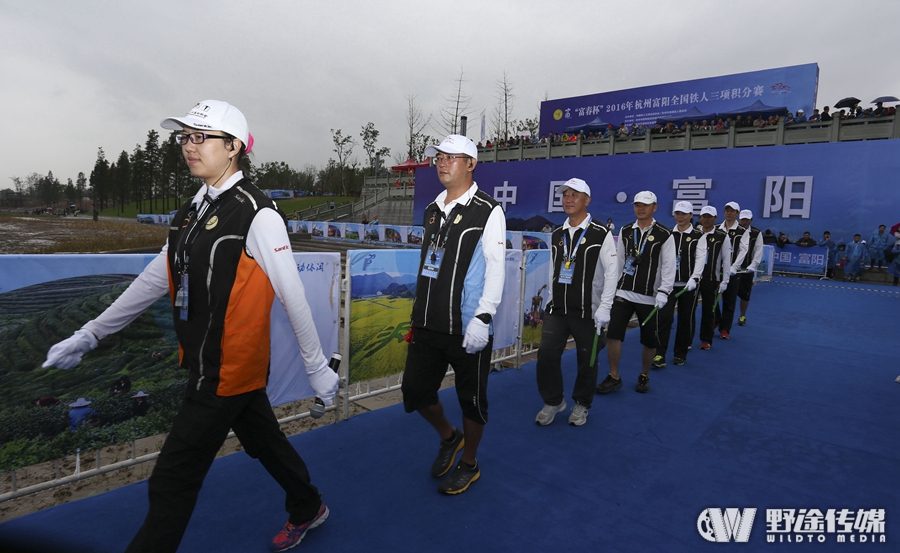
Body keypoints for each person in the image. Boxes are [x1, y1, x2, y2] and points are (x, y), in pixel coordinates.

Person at [42, 100, 339, 553]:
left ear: (235, 147)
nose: (188, 146)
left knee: (171, 480)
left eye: (201, 137)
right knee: (265, 442)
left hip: (225, 369)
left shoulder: (257, 214)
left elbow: (292, 295)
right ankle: (307, 505)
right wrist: (92, 332)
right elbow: (155, 278)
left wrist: (317, 368)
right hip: (205, 360)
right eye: (184, 137)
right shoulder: (191, 211)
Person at [401, 134, 505, 495]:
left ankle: (470, 463)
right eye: (439, 157)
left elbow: (496, 268)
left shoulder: (488, 210)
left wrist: (484, 317)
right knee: (414, 392)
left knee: (472, 401)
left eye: (452, 157)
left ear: (471, 164)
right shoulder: (432, 209)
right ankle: (450, 437)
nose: (442, 163)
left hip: (467, 326)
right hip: (427, 322)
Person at [534, 178, 617, 427]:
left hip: (587, 311)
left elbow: (612, 272)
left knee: (587, 360)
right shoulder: (558, 234)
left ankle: (581, 404)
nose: (569, 199)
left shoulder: (601, 233)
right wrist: (549, 300)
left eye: (575, 195)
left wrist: (604, 308)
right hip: (557, 309)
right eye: (565, 194)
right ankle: (553, 401)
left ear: (587, 200)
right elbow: (554, 269)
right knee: (546, 356)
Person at [596, 191, 675, 394]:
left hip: (650, 295)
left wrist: (664, 291)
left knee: (649, 340)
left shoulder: (664, 234)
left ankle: (644, 374)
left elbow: (668, 265)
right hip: (623, 291)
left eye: (646, 205)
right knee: (614, 334)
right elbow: (619, 261)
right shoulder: (626, 230)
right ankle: (614, 375)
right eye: (637, 204)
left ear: (654, 207)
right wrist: (612, 288)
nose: (641, 208)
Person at [653, 201, 705, 367]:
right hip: (669, 285)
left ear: (691, 215)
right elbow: (661, 260)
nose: (680, 217)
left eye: (684, 214)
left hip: (688, 286)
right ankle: (659, 353)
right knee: (664, 318)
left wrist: (695, 278)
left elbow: (700, 258)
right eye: (677, 213)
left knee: (685, 319)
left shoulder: (699, 236)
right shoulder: (668, 234)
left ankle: (680, 353)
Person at [715, 202, 749, 340]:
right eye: (727, 210)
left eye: (732, 211)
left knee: (729, 301)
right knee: (712, 298)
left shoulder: (742, 231)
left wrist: (734, 267)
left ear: (737, 213)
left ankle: (725, 328)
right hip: (716, 271)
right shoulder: (716, 228)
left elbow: (743, 250)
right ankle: (716, 320)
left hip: (733, 272)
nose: (729, 213)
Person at [735, 210, 763, 326]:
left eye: (747, 220)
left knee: (745, 295)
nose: (744, 222)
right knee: (727, 294)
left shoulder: (756, 233)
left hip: (747, 269)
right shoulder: (733, 231)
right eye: (742, 219)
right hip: (732, 269)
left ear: (751, 220)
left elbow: (758, 250)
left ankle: (742, 315)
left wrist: (753, 265)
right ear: (739, 219)